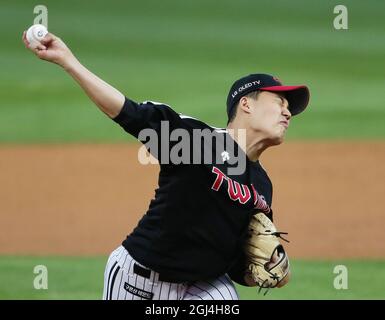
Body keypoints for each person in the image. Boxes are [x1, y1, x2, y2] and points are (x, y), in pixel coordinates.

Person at [22, 30, 310, 300]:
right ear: (246, 104)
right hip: (138, 280)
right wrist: (67, 61)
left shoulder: (262, 187)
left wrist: (263, 268)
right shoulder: (197, 140)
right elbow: (128, 112)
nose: (287, 112)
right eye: (280, 101)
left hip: (203, 285)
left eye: (289, 108)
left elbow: (236, 260)